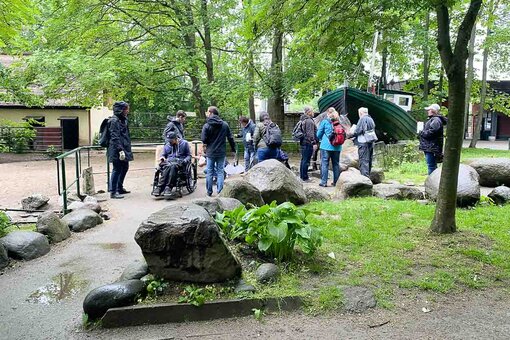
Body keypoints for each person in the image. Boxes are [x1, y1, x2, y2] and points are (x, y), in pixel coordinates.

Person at [201, 106, 236, 196]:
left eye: (207, 112)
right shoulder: (224, 125)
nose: (207, 114)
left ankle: (209, 192)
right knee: (220, 171)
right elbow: (230, 138)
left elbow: (204, 139)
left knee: (209, 171)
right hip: (221, 152)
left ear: (211, 113)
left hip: (210, 152)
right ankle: (220, 191)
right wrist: (233, 149)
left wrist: (207, 144)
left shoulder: (207, 125)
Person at [152, 132, 191, 197]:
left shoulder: (184, 143)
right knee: (169, 165)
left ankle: (164, 187)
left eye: (171, 140)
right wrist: (162, 157)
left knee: (172, 166)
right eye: (169, 140)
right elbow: (163, 154)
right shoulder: (167, 145)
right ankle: (164, 187)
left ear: (176, 139)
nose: (170, 142)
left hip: (179, 161)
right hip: (169, 162)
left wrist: (185, 160)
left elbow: (188, 155)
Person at [108, 101, 133, 199]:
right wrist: (120, 150)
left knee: (125, 167)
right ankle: (113, 192)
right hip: (116, 149)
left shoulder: (124, 120)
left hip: (124, 148)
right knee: (117, 169)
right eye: (126, 109)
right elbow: (114, 137)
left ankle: (119, 187)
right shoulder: (114, 121)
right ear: (121, 110)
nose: (128, 111)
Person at [316, 107, 342, 187]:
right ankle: (336, 182)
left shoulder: (324, 122)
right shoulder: (339, 122)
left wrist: (322, 138)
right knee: (336, 164)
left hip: (326, 146)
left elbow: (318, 134)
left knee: (324, 163)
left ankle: (324, 182)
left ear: (328, 114)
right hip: (337, 147)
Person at [419, 103, 447, 175]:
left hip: (432, 147)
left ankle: (431, 182)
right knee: (431, 165)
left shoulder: (436, 120)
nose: (428, 111)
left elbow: (433, 131)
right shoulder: (433, 119)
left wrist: (422, 133)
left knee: (431, 166)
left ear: (433, 111)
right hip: (430, 146)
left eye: (429, 110)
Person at [351, 107, 377, 178]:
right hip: (371, 142)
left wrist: (352, 132)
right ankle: (368, 176)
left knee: (363, 160)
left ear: (361, 113)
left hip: (363, 143)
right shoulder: (371, 119)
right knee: (369, 160)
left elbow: (357, 131)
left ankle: (364, 179)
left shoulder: (362, 119)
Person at [298, 106, 318, 182]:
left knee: (303, 159)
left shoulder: (303, 119)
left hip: (304, 142)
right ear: (309, 112)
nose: (313, 112)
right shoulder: (309, 121)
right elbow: (310, 134)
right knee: (306, 160)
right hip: (308, 143)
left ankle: (302, 176)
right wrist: (314, 143)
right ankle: (305, 178)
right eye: (312, 111)